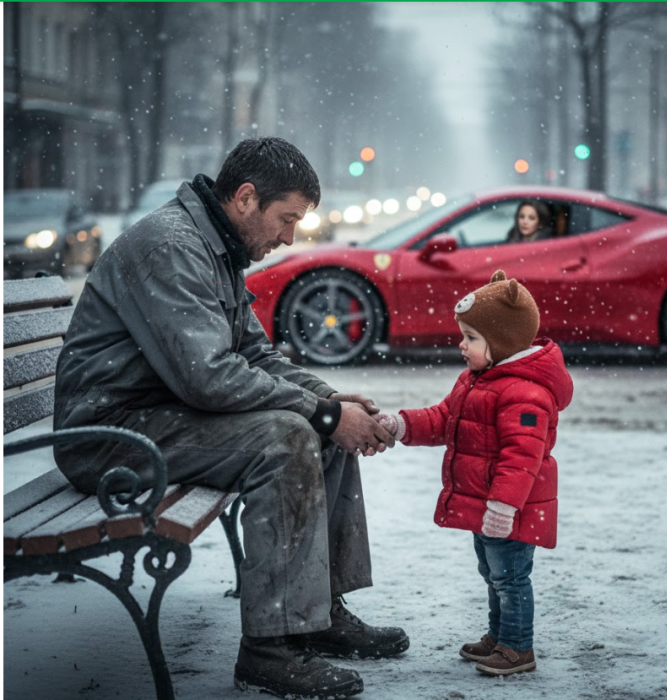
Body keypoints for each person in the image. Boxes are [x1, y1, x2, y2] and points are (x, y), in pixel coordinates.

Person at [53, 137, 407, 699]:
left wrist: (330, 399)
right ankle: (270, 650)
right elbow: (209, 378)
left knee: (317, 426)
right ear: (245, 198)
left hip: (159, 416)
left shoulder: (212, 247)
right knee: (291, 435)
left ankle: (317, 615)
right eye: (285, 219)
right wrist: (321, 413)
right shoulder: (171, 248)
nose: (289, 237)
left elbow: (255, 356)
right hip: (107, 436)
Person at [375, 270, 572, 677]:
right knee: (493, 575)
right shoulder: (478, 380)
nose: (461, 345)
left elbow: (523, 458)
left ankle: (518, 648)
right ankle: (499, 637)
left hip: (510, 511)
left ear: (499, 343)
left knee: (511, 579)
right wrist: (402, 425)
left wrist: (502, 507)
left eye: (471, 337)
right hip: (490, 509)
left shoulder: (524, 393)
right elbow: (444, 419)